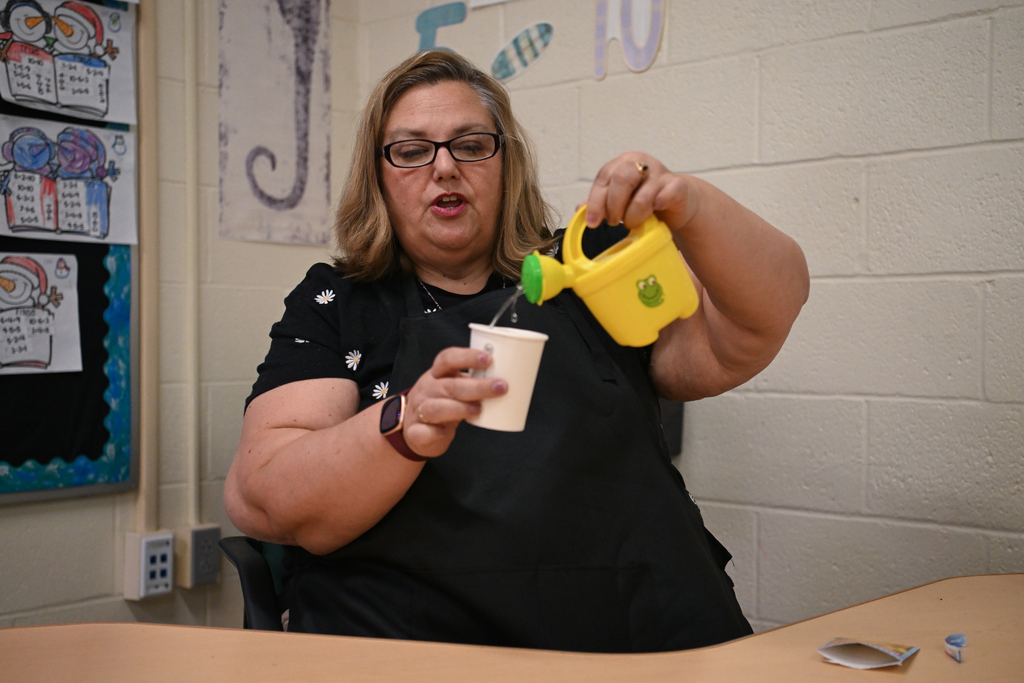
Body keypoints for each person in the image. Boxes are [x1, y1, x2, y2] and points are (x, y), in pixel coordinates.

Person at [224, 50, 809, 652]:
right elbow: (260, 494)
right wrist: (401, 425)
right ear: (377, 175)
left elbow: (762, 318)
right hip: (413, 648)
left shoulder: (586, 269)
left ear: (507, 163)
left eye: (471, 144)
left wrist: (690, 205)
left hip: (631, 641)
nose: (445, 168)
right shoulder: (338, 303)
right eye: (411, 150)